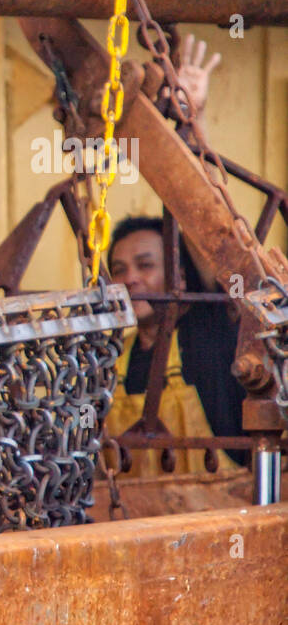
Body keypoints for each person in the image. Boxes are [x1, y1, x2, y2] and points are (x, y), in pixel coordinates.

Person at [102, 34, 245, 475]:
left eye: (146, 266)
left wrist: (191, 123)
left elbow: (211, 233)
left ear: (181, 274)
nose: (131, 279)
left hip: (219, 518)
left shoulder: (213, 329)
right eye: (120, 269)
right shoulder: (113, 362)